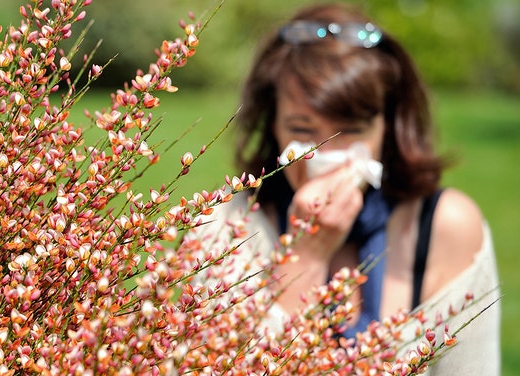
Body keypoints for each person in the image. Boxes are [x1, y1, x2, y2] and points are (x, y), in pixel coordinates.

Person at [187, 2, 501, 374]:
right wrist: (306, 254)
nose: (326, 154)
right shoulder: (224, 229)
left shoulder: (446, 228)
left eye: (351, 131)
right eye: (303, 131)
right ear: (272, 126)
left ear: (388, 126)